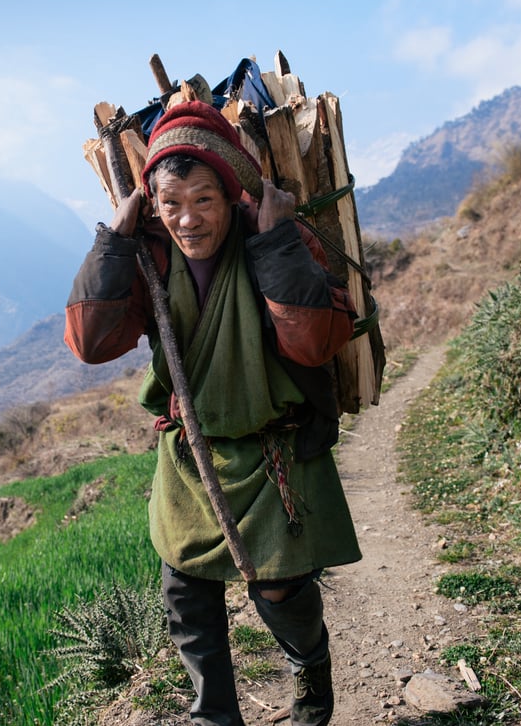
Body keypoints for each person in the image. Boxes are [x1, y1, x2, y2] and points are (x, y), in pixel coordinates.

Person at [64, 99, 362, 726]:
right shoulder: (150, 256)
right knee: (186, 590)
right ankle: (214, 717)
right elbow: (92, 344)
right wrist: (114, 241)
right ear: (153, 205)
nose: (188, 219)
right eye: (171, 203)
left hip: (272, 447)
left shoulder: (274, 236)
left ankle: (310, 671)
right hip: (192, 452)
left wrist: (280, 243)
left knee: (277, 588)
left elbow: (314, 340)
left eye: (203, 200)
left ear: (230, 195)